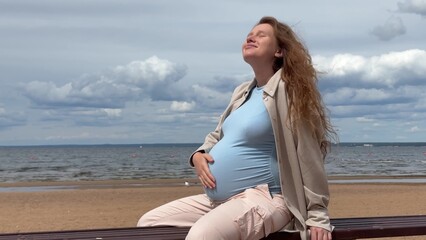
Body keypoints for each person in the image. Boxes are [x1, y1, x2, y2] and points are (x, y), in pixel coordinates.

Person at [137, 16, 336, 240]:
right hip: (219, 201)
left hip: (267, 198)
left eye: (261, 35)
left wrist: (317, 215)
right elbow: (217, 135)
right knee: (149, 224)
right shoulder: (243, 92)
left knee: (201, 236)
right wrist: (199, 155)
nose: (251, 37)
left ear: (279, 51)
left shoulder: (289, 91)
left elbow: (309, 154)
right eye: (249, 34)